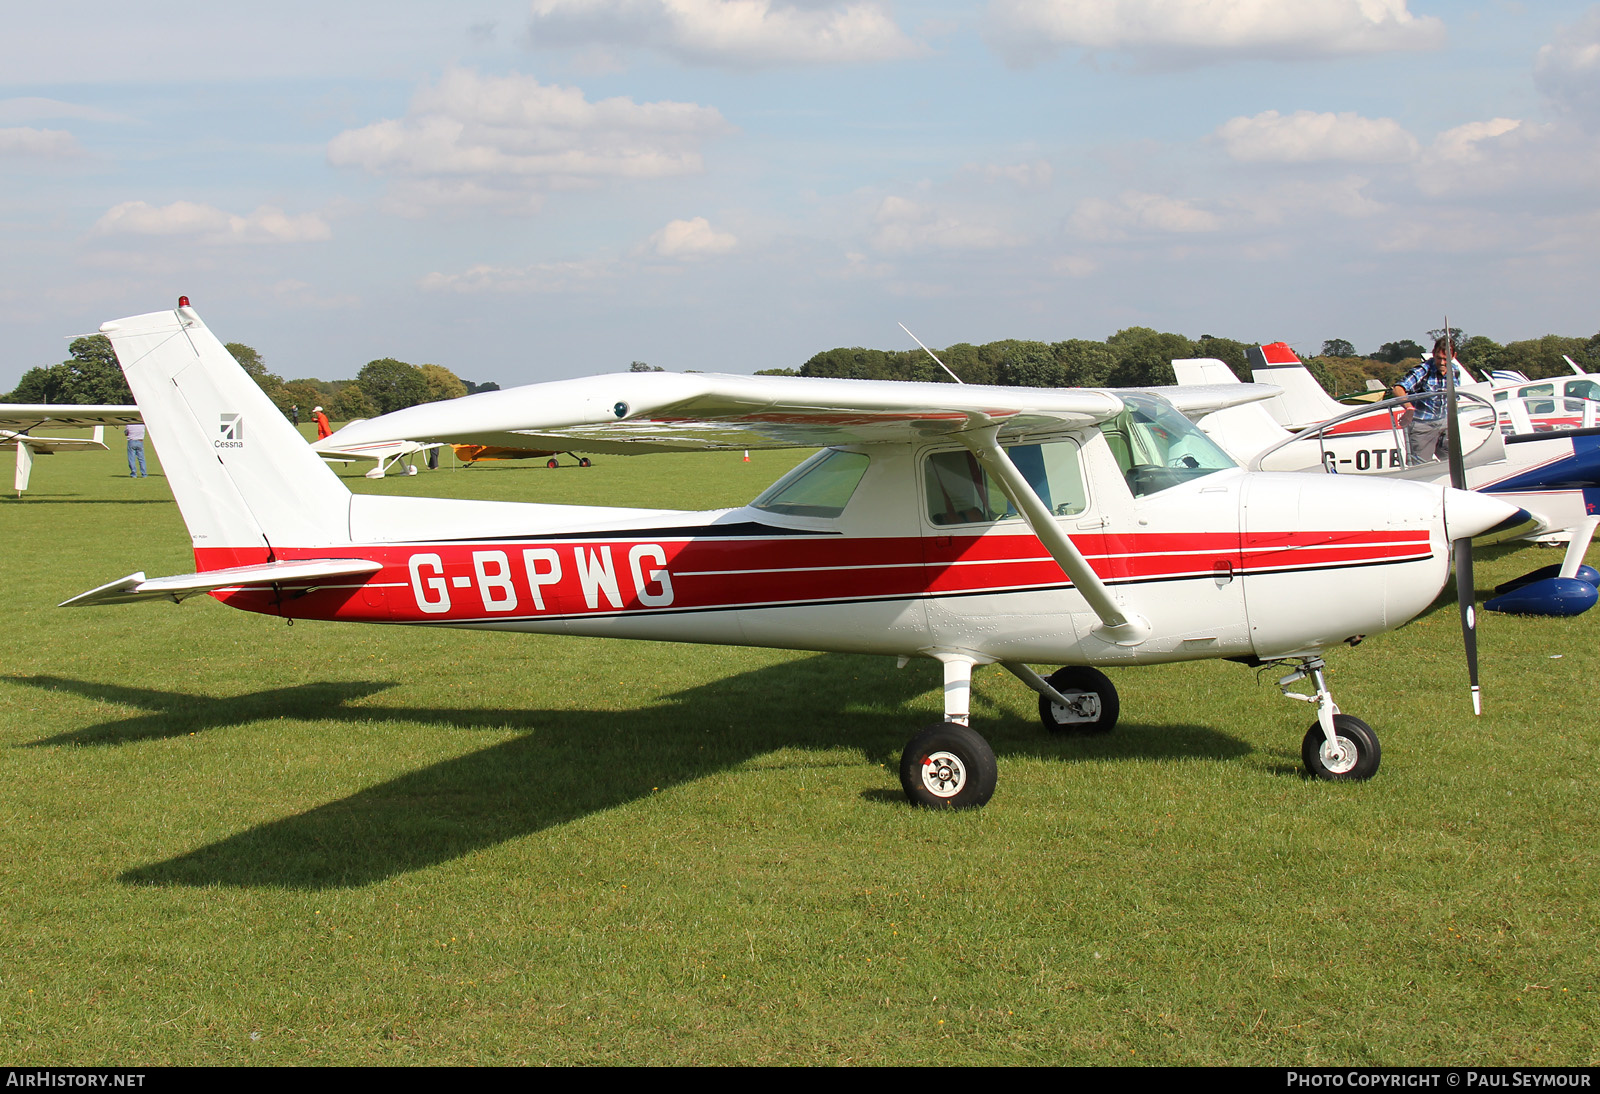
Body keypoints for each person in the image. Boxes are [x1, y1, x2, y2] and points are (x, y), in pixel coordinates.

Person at [1393, 338, 1454, 463]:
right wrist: (1409, 408)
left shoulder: (1455, 371)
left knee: (1453, 461)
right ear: (1433, 354)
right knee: (1421, 466)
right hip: (1423, 425)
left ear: (1453, 356)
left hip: (1445, 423)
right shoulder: (1423, 370)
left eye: (1445, 359)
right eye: (1439, 358)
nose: (1442, 363)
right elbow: (1398, 389)